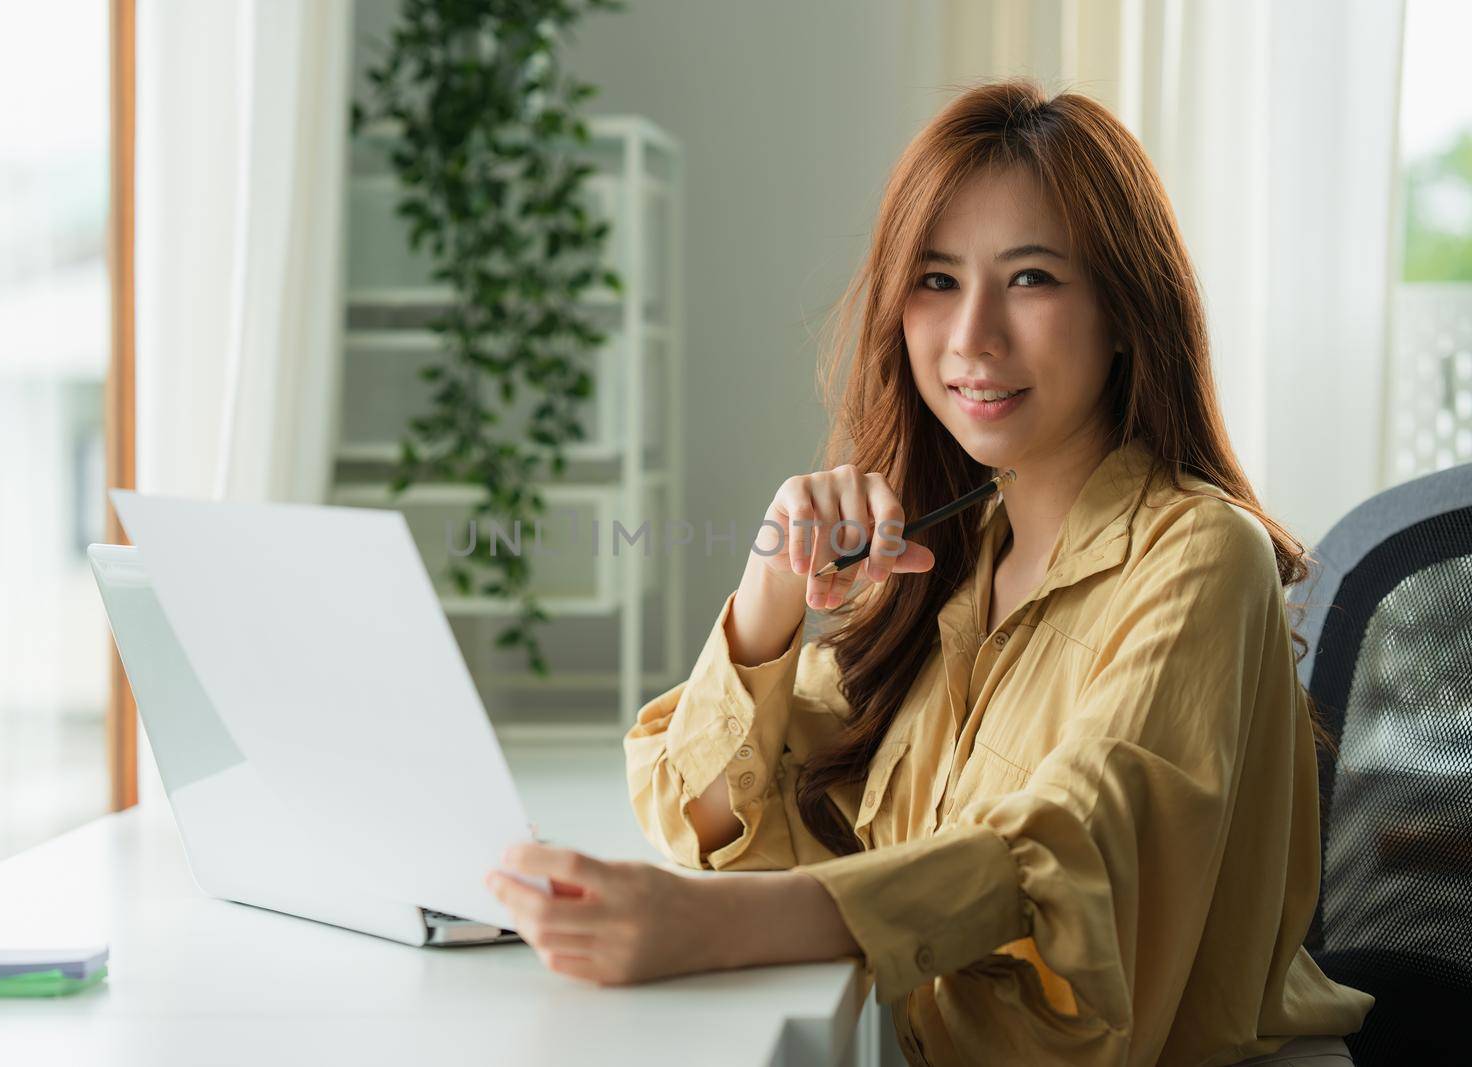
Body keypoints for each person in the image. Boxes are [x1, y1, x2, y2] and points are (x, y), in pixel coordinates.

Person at [482, 78, 1374, 1066]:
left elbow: (1059, 851)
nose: (970, 336)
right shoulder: (954, 556)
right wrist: (770, 597)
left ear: (1125, 311)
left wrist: (716, 924)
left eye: (1030, 278)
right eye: (936, 280)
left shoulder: (1199, 554)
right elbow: (694, 815)